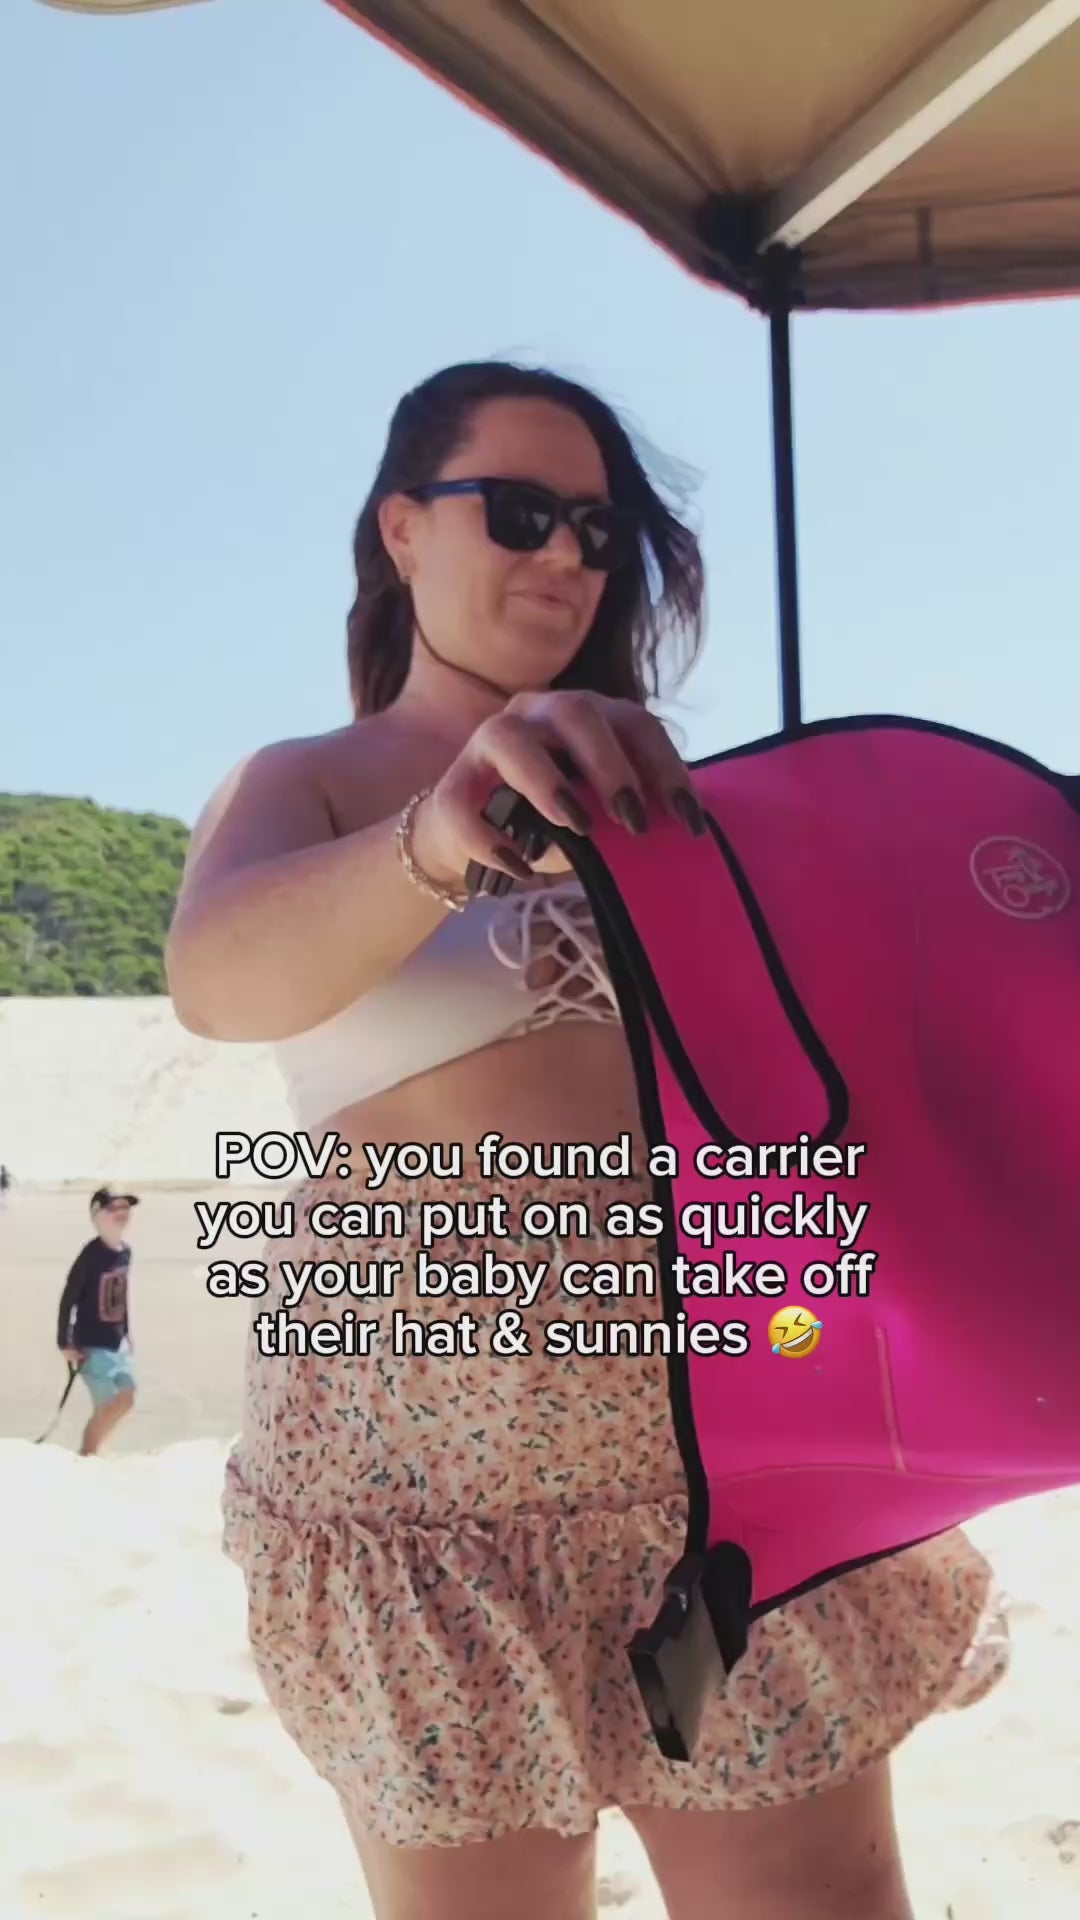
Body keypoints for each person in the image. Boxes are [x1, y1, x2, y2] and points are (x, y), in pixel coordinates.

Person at [166, 361, 1008, 1920]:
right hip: (418, 1494)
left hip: (722, 1474)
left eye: (600, 531)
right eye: (521, 511)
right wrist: (436, 837)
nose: (567, 554)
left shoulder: (678, 796)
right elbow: (219, 982)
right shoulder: (309, 783)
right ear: (402, 530)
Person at [56, 1186, 138, 1456]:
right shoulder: (90, 1255)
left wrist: (127, 1332)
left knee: (126, 1398)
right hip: (91, 1344)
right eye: (114, 1207)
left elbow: (120, 1295)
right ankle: (87, 1454)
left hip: (117, 1342)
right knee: (106, 1404)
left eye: (126, 1207)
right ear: (97, 1215)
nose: (122, 1213)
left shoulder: (125, 1252)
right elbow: (68, 1298)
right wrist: (64, 1342)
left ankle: (97, 1447)